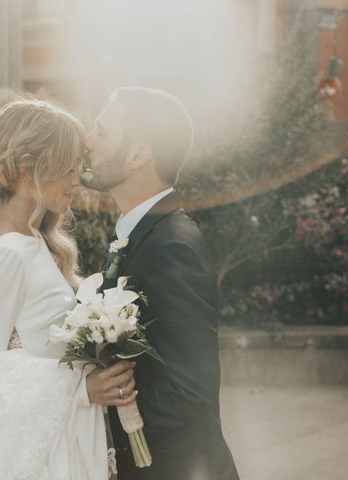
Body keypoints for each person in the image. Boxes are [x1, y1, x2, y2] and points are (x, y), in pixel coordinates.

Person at [0, 99, 136, 480]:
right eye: (67, 166)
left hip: (60, 434)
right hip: (41, 456)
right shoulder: (7, 252)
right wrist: (80, 387)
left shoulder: (32, 239)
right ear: (26, 168)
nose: (76, 178)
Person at [84, 87, 240, 480]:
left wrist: (110, 406)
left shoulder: (172, 245)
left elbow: (191, 390)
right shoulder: (138, 233)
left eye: (101, 132)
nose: (88, 142)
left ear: (139, 154)